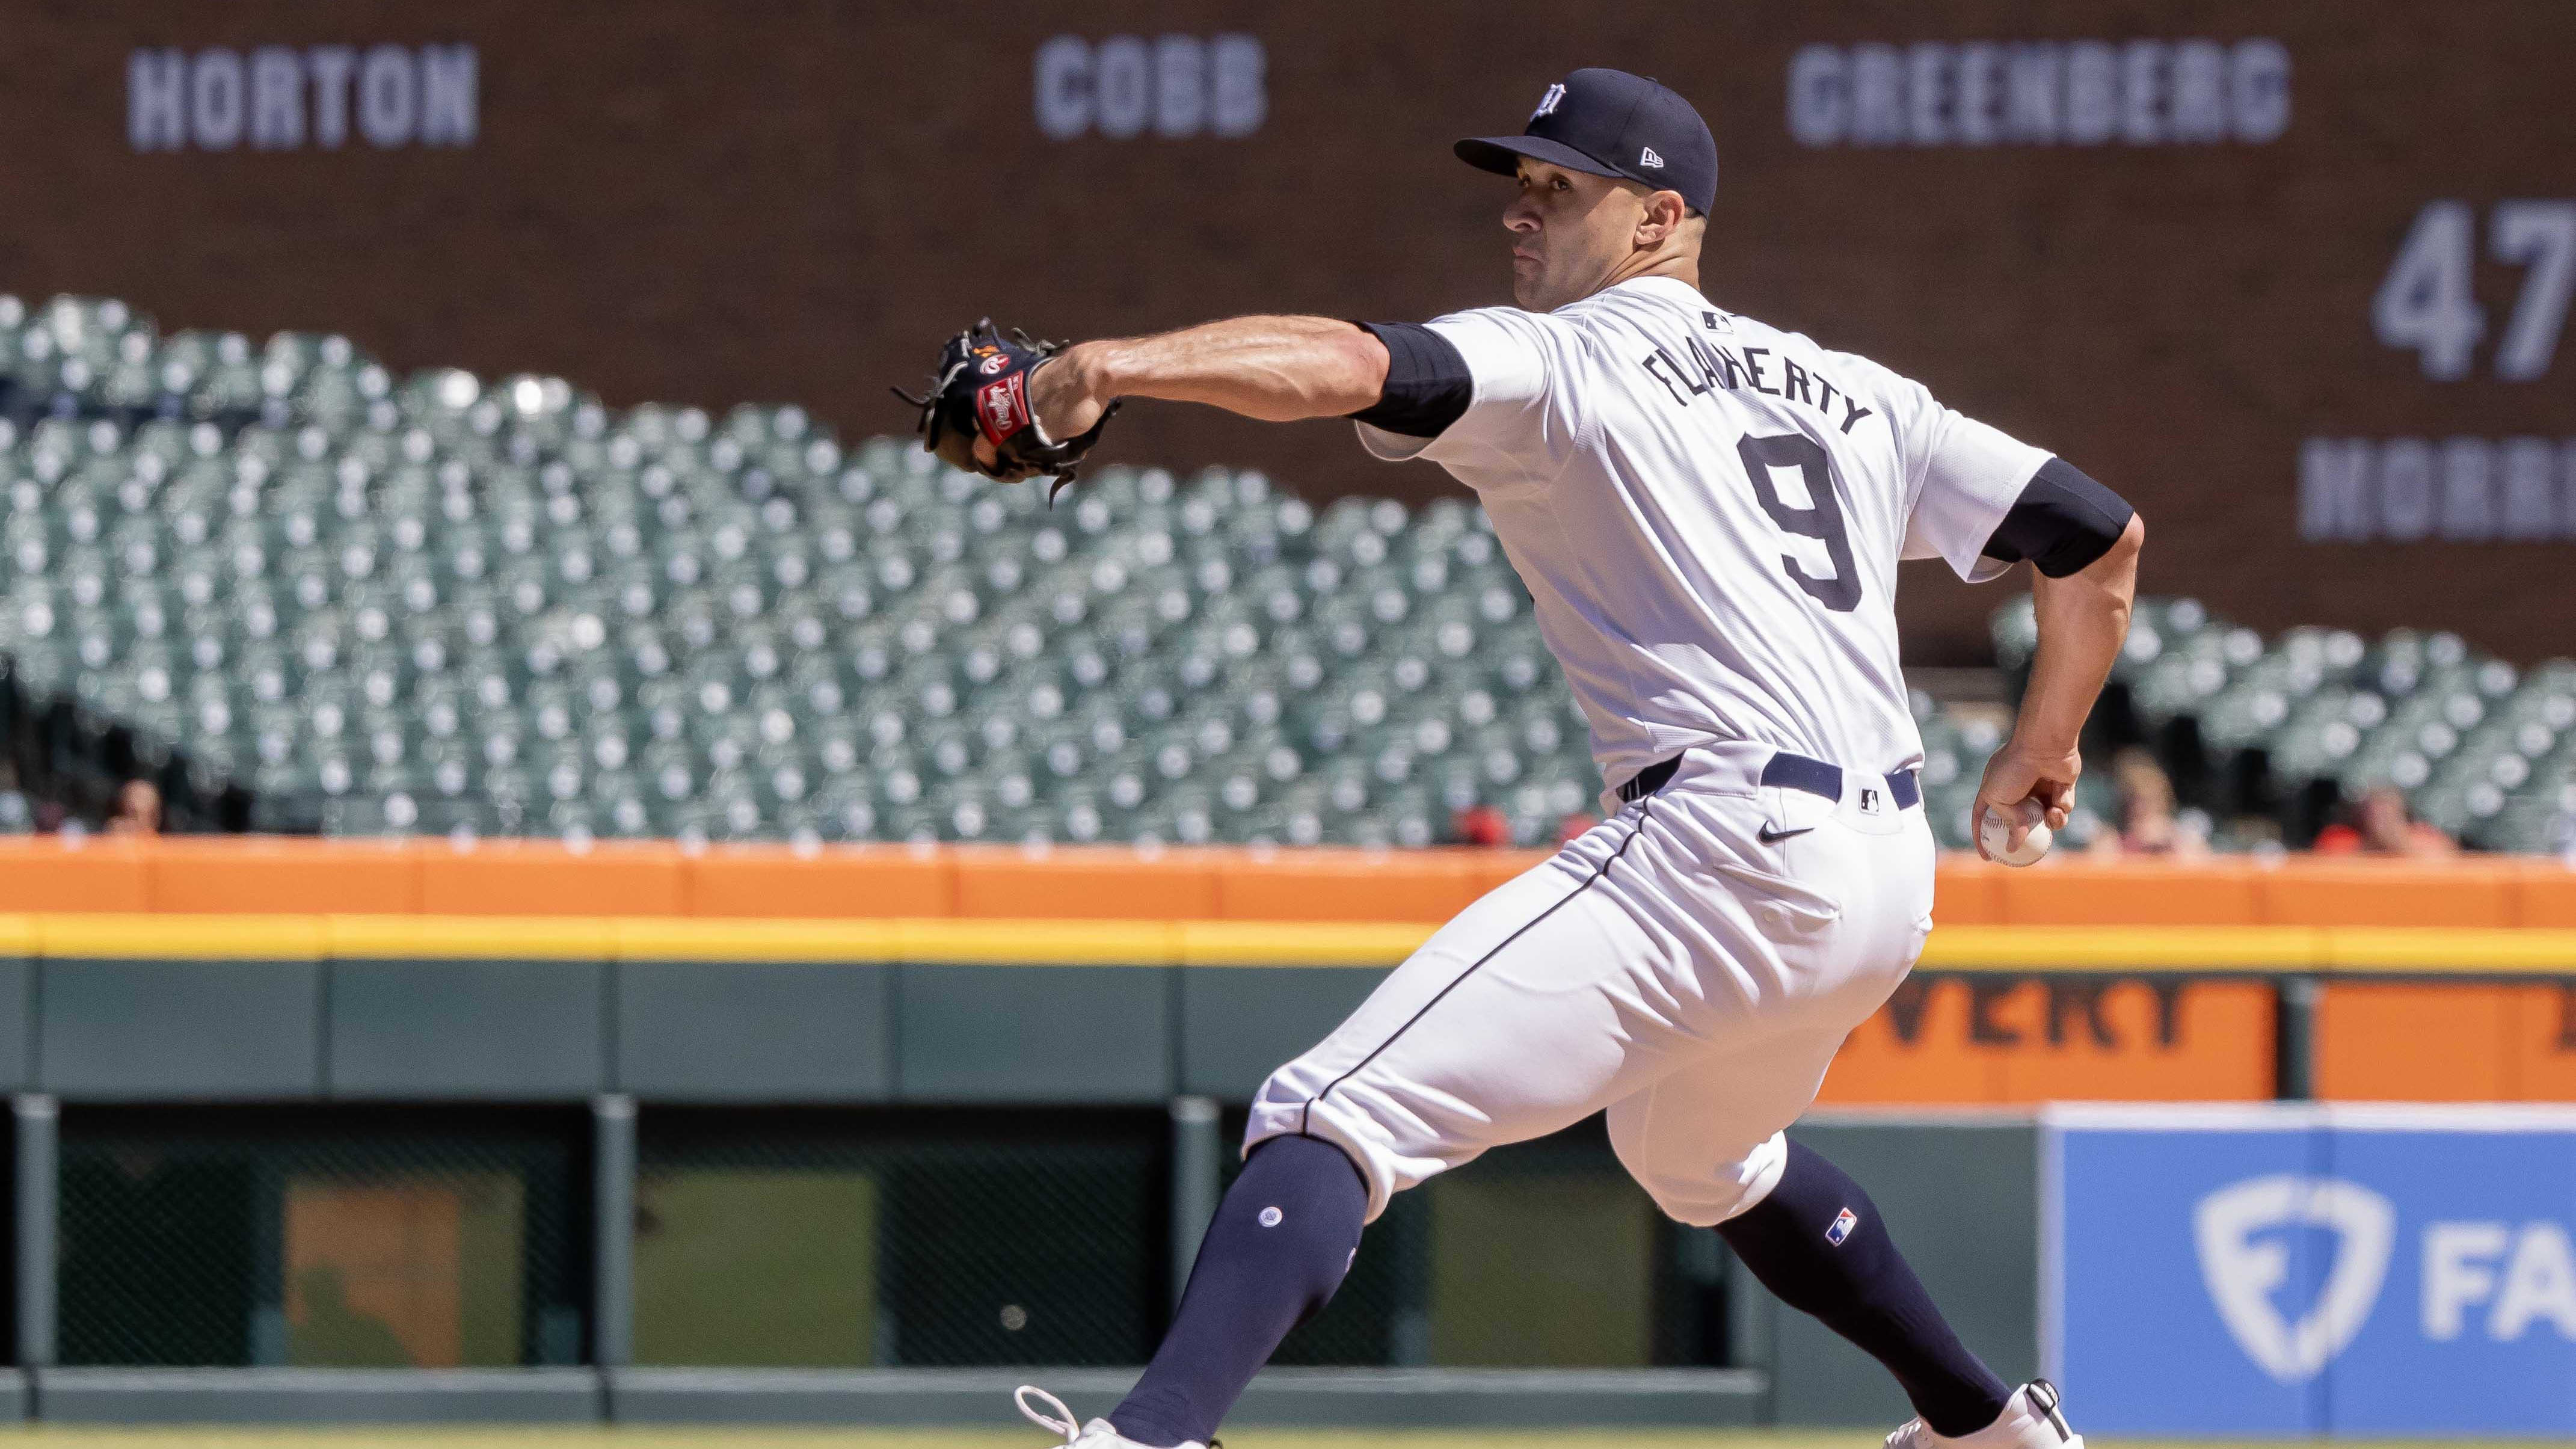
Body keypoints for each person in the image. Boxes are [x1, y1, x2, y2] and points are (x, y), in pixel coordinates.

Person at [988, 69, 2136, 1449]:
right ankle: (1986, 1430)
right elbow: (2092, 535)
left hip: (1722, 847)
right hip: (1887, 881)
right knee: (1695, 1160)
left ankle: (1151, 1435)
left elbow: (1352, 366)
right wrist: (2040, 741)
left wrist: (1105, 367)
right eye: (1517, 186)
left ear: (1657, 219)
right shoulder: (1854, 396)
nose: (1519, 215)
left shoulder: (1571, 357)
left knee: (1331, 1110)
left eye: (1558, 188)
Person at [2088, 747, 2206, 857]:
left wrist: (2173, 843)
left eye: (2150, 801)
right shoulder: (2111, 841)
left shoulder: (2183, 838)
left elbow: (2204, 868)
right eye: (2134, 800)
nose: (2140, 808)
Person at [2311, 784, 2455, 857]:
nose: (2381, 821)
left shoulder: (2428, 841)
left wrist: (2399, 844)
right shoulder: (2339, 841)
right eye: (2374, 815)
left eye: (2388, 814)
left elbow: (2445, 871)